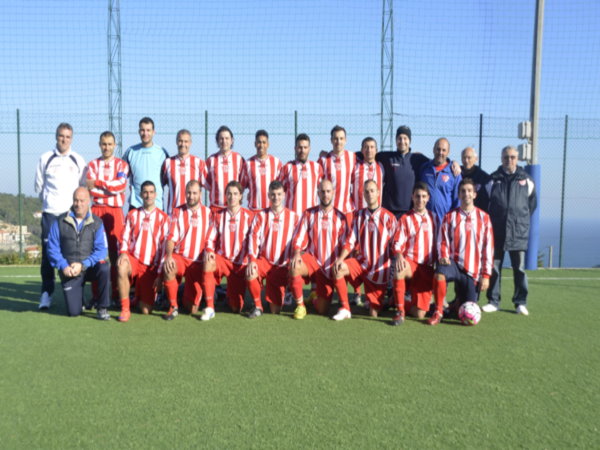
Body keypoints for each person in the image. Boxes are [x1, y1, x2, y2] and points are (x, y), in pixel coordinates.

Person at [34, 123, 87, 310]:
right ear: (56, 136)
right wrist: (51, 203)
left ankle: (77, 296)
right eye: (61, 136)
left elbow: (82, 188)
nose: (64, 140)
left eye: (68, 136)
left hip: (70, 216)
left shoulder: (78, 160)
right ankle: (46, 294)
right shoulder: (45, 158)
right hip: (50, 214)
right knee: (48, 255)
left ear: (71, 138)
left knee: (73, 254)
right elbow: (39, 187)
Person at [428, 178, 494, 326]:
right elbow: (442, 240)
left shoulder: (484, 218)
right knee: (439, 273)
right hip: (454, 264)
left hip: (472, 271)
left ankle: (457, 303)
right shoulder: (449, 216)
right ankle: (438, 312)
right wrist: (443, 255)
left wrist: (486, 275)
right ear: (458, 195)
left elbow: (488, 248)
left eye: (469, 191)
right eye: (463, 191)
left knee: (466, 310)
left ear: (475, 194)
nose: (466, 194)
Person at [482, 145, 537, 316]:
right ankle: (493, 301)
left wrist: (518, 221)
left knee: (519, 269)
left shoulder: (526, 180)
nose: (509, 160)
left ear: (517, 159)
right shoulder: (492, 180)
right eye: (506, 157)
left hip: (518, 233)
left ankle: (520, 303)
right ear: (501, 159)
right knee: (494, 268)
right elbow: (484, 205)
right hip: (496, 232)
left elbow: (531, 206)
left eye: (512, 157)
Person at [332, 180, 397, 319]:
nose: (369, 194)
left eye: (372, 190)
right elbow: (350, 241)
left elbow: (396, 246)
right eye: (366, 191)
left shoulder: (389, 218)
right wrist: (340, 259)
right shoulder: (358, 216)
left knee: (373, 314)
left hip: (379, 273)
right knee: (338, 268)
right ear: (364, 195)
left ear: (378, 193)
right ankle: (345, 308)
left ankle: (381, 300)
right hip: (361, 266)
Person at [288, 180, 351, 321]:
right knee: (294, 266)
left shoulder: (341, 218)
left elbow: (346, 244)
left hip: (330, 267)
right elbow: (298, 238)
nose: (325, 195)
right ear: (318, 193)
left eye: (328, 191)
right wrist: (297, 254)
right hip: (313, 260)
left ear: (333, 193)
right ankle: (300, 306)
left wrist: (341, 262)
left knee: (323, 310)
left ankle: (313, 299)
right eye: (322, 192)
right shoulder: (309, 214)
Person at [46, 187, 110, 319]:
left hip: (89, 267)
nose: (78, 204)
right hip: (70, 271)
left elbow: (102, 250)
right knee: (73, 312)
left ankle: (102, 308)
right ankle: (80, 299)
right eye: (76, 200)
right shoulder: (59, 221)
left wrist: (83, 264)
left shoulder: (97, 222)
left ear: (89, 201)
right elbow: (52, 248)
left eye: (82, 200)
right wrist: (64, 266)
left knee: (104, 268)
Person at [278, 133, 323, 304]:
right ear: (295, 148)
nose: (302, 150)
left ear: (309, 149)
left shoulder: (317, 168)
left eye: (305, 147)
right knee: (291, 254)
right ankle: (290, 291)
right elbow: (279, 191)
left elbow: (322, 190)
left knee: (314, 253)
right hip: (293, 220)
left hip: (312, 219)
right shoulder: (287, 168)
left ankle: (314, 291)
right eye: (299, 147)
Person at [116, 181, 170, 322]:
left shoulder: (163, 218)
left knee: (146, 310)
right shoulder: (132, 214)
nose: (148, 195)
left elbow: (164, 249)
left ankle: (138, 296)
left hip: (151, 267)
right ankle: (125, 308)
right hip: (134, 260)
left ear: (156, 195)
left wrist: (160, 275)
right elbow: (124, 237)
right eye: (145, 192)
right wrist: (123, 252)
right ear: (140, 195)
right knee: (121, 266)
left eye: (151, 192)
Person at [86, 131, 129, 306]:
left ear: (114, 145)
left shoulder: (122, 165)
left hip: (115, 212)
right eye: (104, 144)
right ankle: (96, 295)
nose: (107, 147)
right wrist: (110, 190)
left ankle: (117, 294)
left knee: (115, 253)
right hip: (96, 210)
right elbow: (91, 190)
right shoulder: (92, 164)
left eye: (110, 144)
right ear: (99, 144)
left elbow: (121, 185)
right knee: (95, 252)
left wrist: (99, 183)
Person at [245, 181, 299, 317]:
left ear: (284, 195)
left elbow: (297, 241)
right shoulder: (260, 216)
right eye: (273, 194)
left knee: (275, 311)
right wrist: (252, 260)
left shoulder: (293, 217)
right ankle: (258, 306)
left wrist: (295, 257)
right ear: (268, 195)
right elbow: (253, 238)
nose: (276, 197)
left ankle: (276, 297)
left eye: (279, 194)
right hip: (264, 262)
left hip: (282, 267)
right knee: (251, 270)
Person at [159, 180, 212, 320]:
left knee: (192, 309)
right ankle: (173, 307)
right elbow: (171, 237)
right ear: (185, 193)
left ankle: (180, 292)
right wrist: (169, 257)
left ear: (200, 194)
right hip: (180, 258)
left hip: (197, 263)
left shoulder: (208, 213)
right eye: (189, 193)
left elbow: (211, 239)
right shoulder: (177, 212)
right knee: (169, 266)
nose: (191, 196)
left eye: (195, 193)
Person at [201, 181, 253, 320]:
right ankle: (210, 307)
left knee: (236, 308)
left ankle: (226, 296)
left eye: (235, 194)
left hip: (239, 266)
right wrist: (210, 251)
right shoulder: (218, 215)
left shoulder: (249, 216)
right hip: (222, 260)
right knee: (208, 262)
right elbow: (209, 238)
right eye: (229, 194)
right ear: (225, 195)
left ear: (241, 196)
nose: (232, 197)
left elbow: (254, 242)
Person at [391, 182, 438, 324]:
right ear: (412, 197)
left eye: (423, 196)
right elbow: (397, 242)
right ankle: (400, 312)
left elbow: (441, 242)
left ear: (428, 198)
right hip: (411, 264)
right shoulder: (405, 219)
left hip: (427, 269)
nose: (420, 200)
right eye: (417, 196)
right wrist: (399, 256)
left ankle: (395, 301)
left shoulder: (435, 218)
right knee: (399, 268)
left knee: (419, 314)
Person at [123, 117, 169, 211]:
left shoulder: (162, 153)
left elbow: (168, 179)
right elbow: (121, 177)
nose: (145, 133)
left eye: (148, 130)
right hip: (136, 205)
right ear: (139, 132)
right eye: (142, 130)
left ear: (153, 132)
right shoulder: (131, 152)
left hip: (157, 205)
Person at [161, 129, 207, 216]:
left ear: (190, 143)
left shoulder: (199, 163)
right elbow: (160, 185)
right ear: (176, 141)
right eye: (180, 141)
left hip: (194, 215)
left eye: (186, 141)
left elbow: (210, 186)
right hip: (173, 214)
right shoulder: (168, 163)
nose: (183, 144)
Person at [420, 137, 462, 225]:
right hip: (425, 221)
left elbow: (458, 200)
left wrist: (454, 221)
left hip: (445, 222)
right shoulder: (424, 168)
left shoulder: (454, 172)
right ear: (433, 150)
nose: (440, 152)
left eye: (444, 150)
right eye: (438, 149)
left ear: (448, 152)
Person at [205, 126, 245, 215]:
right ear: (217, 141)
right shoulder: (211, 160)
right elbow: (207, 183)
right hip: (215, 209)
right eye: (221, 138)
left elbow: (242, 183)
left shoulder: (239, 159)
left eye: (227, 138)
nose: (224, 141)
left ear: (232, 140)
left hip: (233, 209)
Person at [240, 130, 282, 215]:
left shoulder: (276, 162)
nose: (261, 145)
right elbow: (241, 186)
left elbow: (281, 186)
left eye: (264, 142)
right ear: (255, 144)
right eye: (259, 142)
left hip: (272, 210)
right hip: (253, 210)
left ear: (268, 144)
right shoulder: (248, 163)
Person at [352, 137, 385, 211]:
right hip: (358, 213)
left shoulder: (381, 167)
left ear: (376, 150)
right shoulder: (355, 167)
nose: (369, 150)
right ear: (362, 150)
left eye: (372, 147)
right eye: (366, 147)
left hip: (377, 213)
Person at [460, 147, 490, 211]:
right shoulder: (457, 174)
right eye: (464, 158)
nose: (466, 161)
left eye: (469, 158)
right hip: (460, 214)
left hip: (478, 215)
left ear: (476, 159)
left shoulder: (484, 178)